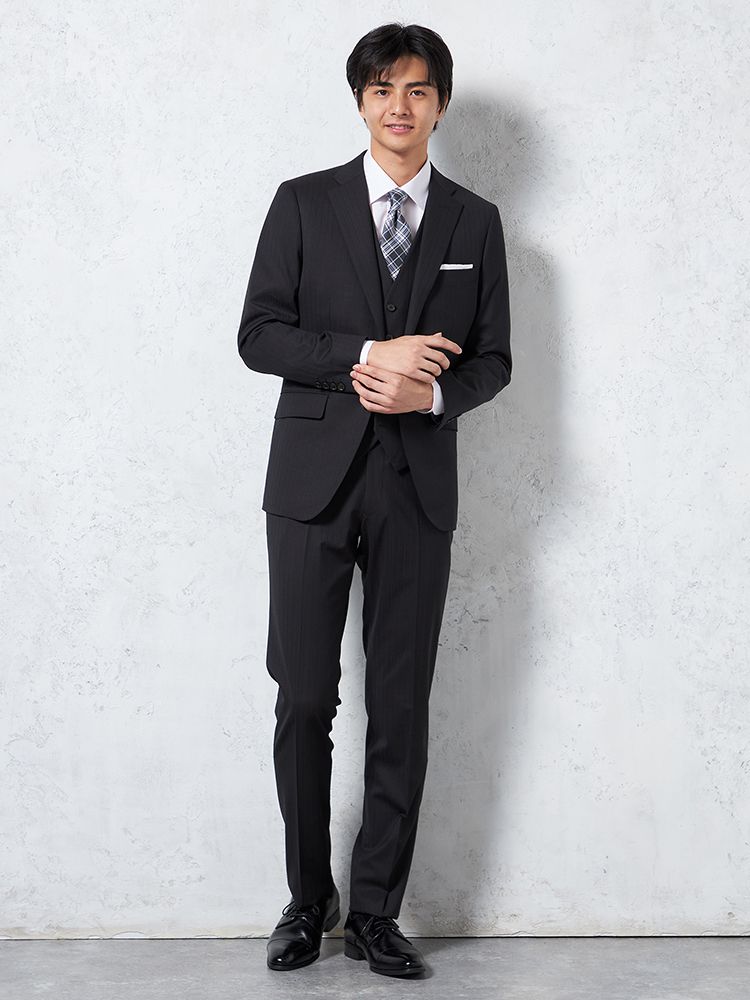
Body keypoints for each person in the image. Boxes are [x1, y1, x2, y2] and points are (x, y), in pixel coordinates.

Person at [236, 21, 511, 979]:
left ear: (441, 104)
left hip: (415, 486)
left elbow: (493, 361)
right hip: (309, 486)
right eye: (383, 88)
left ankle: (377, 913)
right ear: (360, 100)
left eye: (418, 89)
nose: (400, 106)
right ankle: (306, 900)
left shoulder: (475, 222)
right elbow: (259, 334)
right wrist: (367, 355)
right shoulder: (302, 203)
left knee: (400, 704)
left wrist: (428, 394)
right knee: (304, 696)